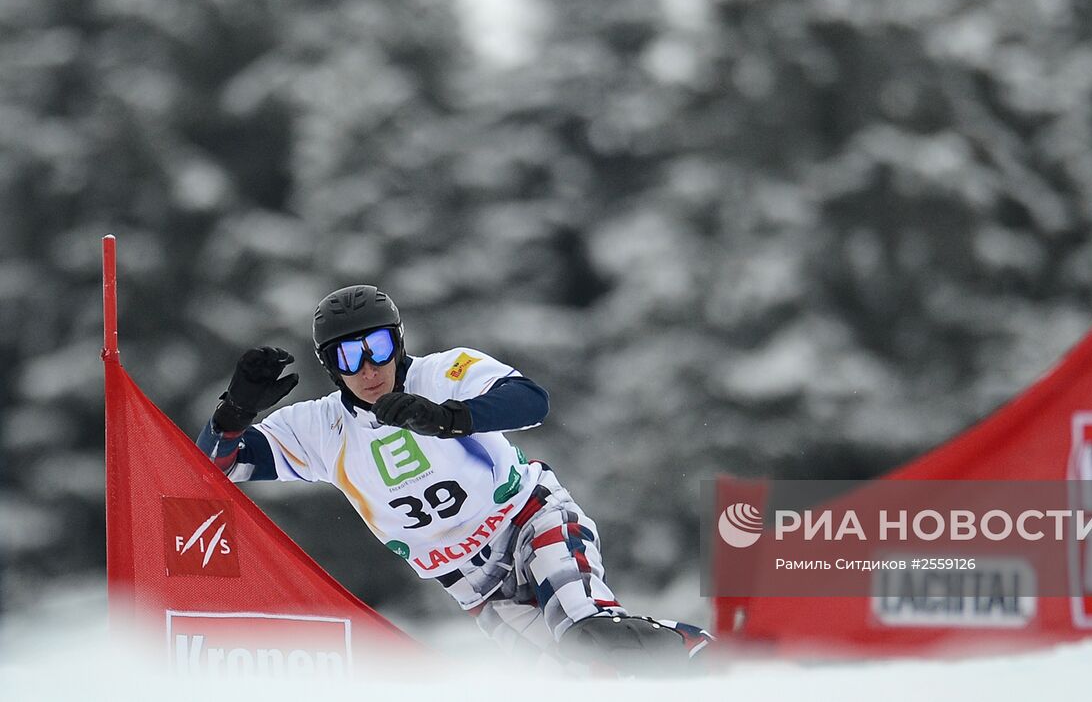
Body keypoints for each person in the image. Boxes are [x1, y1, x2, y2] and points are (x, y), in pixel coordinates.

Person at [196, 284, 712, 673]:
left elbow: (532, 400)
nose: (369, 368)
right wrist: (234, 414)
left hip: (528, 520)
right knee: (573, 677)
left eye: (377, 346)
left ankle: (713, 661)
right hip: (470, 583)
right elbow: (215, 468)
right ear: (330, 368)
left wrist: (446, 417)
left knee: (588, 634)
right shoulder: (321, 426)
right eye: (347, 357)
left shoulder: (445, 372)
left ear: (398, 342)